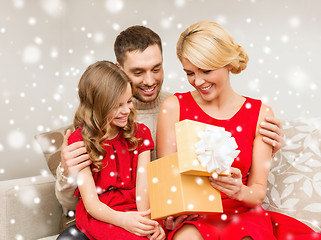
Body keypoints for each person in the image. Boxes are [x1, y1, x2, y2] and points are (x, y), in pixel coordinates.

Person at [55, 25, 284, 235]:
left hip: (218, 213)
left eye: (156, 68)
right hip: (120, 218)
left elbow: (254, 187)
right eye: (137, 72)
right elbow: (73, 201)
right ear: (119, 71)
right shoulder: (97, 120)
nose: (149, 80)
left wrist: (268, 151)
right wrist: (67, 171)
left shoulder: (172, 105)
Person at [156, 20, 321, 240]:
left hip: (243, 213)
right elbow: (169, 184)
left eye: (206, 70)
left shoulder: (260, 113)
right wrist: (172, 212)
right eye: (190, 73)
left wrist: (238, 191)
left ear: (228, 64)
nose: (198, 81)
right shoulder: (173, 107)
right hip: (194, 216)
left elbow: (257, 192)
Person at [58, 60, 165, 240]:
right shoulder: (80, 140)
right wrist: (123, 220)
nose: (127, 110)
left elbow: (143, 190)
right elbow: (91, 203)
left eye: (129, 101)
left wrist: (149, 223)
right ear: (97, 106)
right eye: (117, 105)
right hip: (101, 214)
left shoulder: (141, 133)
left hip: (133, 210)